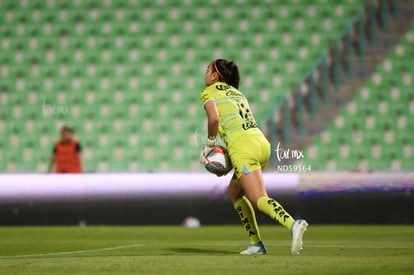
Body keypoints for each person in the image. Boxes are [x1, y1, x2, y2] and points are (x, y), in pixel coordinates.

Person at [199, 59, 308, 255]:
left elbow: (214, 118)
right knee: (234, 193)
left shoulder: (209, 91)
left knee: (258, 197)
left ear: (215, 76)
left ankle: (293, 224)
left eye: (208, 70)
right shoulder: (237, 93)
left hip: (244, 148)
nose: (205, 73)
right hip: (261, 143)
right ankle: (256, 244)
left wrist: (209, 145)